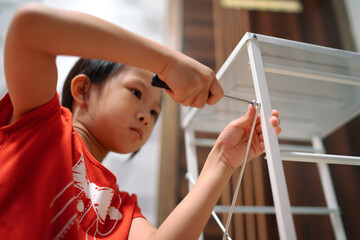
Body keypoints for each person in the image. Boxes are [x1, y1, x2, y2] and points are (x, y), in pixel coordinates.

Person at [0, 3, 281, 240]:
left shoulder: (119, 208)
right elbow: (30, 27)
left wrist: (222, 160)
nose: (147, 116)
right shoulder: (42, 124)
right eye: (136, 92)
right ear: (83, 89)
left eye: (156, 113)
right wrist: (167, 64)